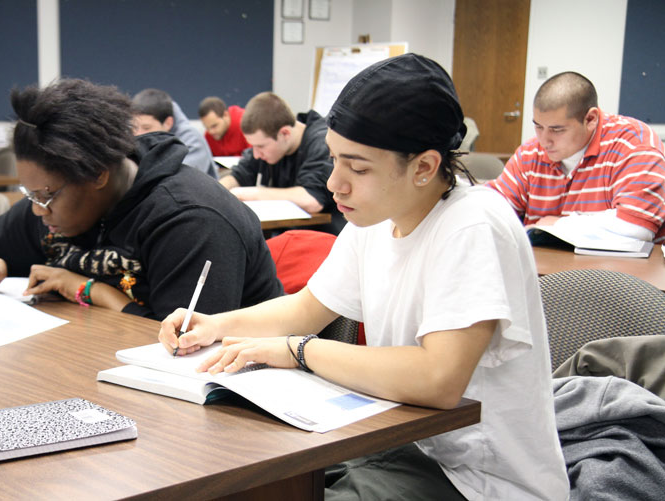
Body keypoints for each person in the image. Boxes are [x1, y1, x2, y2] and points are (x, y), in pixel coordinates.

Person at [159, 54, 569, 500]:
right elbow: (305, 308)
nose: (335, 184)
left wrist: (300, 351)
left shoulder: (472, 224)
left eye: (357, 168)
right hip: (397, 444)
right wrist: (216, 325)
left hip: (479, 479)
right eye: (334, 159)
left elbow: (439, 378)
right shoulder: (374, 220)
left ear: (425, 167)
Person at [0, 78, 282, 321]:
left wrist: (90, 290)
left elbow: (183, 348)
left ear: (97, 174)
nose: (37, 210)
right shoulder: (58, 200)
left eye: (44, 196)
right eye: (31, 196)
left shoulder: (190, 219)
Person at [486, 71, 665, 242]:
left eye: (557, 130)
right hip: (546, 269)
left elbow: (636, 228)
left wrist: (559, 224)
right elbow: (490, 211)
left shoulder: (635, 144)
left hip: (619, 272)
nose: (544, 141)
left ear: (590, 119)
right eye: (538, 126)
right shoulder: (530, 153)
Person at [219, 92, 343, 234]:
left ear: (285, 133)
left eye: (260, 146)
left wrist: (248, 194)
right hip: (287, 235)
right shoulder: (270, 144)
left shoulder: (322, 142)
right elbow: (239, 174)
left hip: (322, 238)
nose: (256, 154)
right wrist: (217, 191)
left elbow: (312, 199)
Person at [131, 88, 218, 179]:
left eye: (147, 128)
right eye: (134, 127)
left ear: (168, 123)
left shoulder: (192, 140)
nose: (138, 134)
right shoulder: (132, 138)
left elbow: (181, 182)